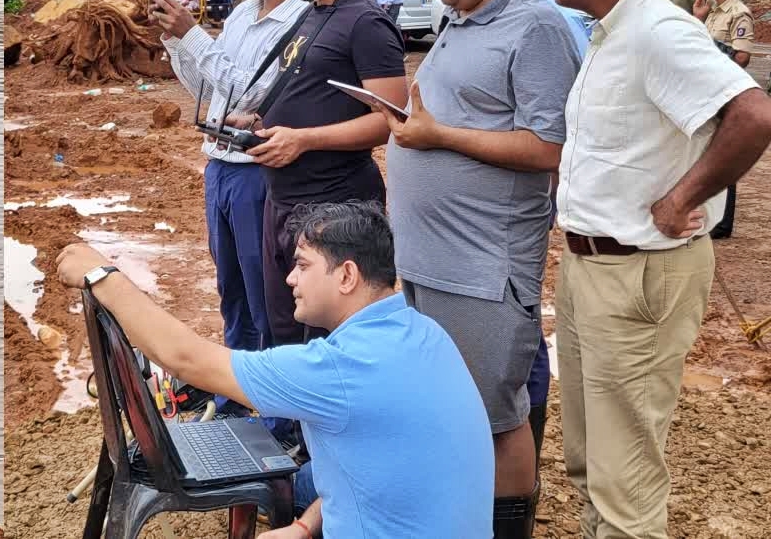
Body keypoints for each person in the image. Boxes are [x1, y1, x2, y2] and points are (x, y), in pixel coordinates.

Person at [519, 0, 771, 538]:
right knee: (589, 465)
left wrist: (682, 198)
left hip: (637, 274)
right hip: (593, 268)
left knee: (624, 481)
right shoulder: (614, 33)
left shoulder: (658, 31)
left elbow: (753, 115)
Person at [55, 201, 495, 538]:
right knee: (302, 477)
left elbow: (187, 358)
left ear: (346, 276)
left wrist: (102, 276)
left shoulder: (337, 370)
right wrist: (305, 527)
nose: (290, 279)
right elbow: (378, 469)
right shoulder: (422, 332)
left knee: (287, 474)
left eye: (303, 266)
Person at [385, 0, 581, 538]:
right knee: (448, 411)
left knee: (496, 419)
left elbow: (548, 146)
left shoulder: (537, 28)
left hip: (483, 271)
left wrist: (438, 138)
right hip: (428, 261)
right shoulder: (464, 16)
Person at [151, 0, 310, 419]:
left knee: (266, 292)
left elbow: (252, 90)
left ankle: (277, 409)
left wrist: (192, 33)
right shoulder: (242, 14)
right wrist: (177, 41)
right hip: (219, 168)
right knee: (232, 290)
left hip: (255, 173)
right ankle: (236, 397)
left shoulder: (300, 24)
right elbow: (210, 89)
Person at [230, 0, 407, 349]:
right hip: (284, 199)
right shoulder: (314, 12)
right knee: (285, 327)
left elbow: (390, 122)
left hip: (336, 207)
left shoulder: (365, 21)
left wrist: (304, 140)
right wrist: (261, 119)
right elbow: (314, 95)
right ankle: (290, 423)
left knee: (329, 338)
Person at [485, 0, 590, 464]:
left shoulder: (547, 16)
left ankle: (524, 456)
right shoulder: (485, 10)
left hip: (527, 202)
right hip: (509, 206)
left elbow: (554, 133)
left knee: (519, 328)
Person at [693, 0, 755, 239]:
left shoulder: (739, 13)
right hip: (706, 89)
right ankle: (709, 211)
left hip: (724, 91)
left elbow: (741, 56)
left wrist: (708, 45)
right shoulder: (713, 11)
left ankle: (723, 220)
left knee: (722, 152)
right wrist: (698, 20)